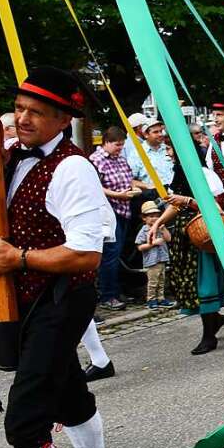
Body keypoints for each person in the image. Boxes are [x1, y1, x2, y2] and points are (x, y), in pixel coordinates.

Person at [0, 67, 125, 448]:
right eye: (19, 109)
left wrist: (19, 257)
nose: (23, 118)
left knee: (27, 411)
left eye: (37, 112)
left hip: (63, 297)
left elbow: (87, 252)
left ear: (62, 120)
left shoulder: (74, 167)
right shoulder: (11, 157)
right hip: (29, 297)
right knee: (68, 392)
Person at [151, 153, 224, 354]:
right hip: (184, 237)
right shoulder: (180, 173)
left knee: (204, 286)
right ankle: (215, 321)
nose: (168, 153)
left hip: (201, 235)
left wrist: (187, 200)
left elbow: (214, 207)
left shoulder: (202, 173)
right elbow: (175, 205)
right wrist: (159, 222)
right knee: (191, 285)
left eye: (171, 148)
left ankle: (209, 335)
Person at [89, 126, 137, 311]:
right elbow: (95, 186)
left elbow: (129, 178)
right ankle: (107, 295)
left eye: (122, 145)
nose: (120, 148)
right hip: (109, 211)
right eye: (117, 145)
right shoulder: (96, 160)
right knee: (110, 253)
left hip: (124, 209)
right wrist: (117, 195)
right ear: (106, 143)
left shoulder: (120, 158)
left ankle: (116, 291)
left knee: (119, 254)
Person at [134, 201, 173, 310]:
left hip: (162, 258)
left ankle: (161, 298)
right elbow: (139, 247)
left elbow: (169, 238)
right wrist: (152, 244)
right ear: (144, 218)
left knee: (161, 281)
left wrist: (163, 229)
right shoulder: (144, 230)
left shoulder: (160, 228)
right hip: (152, 260)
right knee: (153, 282)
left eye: (157, 216)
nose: (155, 219)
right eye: (151, 216)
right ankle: (151, 299)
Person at [129, 118, 174, 190]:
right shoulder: (137, 154)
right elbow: (129, 180)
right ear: (146, 134)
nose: (160, 134)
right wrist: (149, 186)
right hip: (154, 197)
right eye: (155, 132)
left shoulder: (168, 149)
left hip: (176, 195)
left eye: (161, 131)